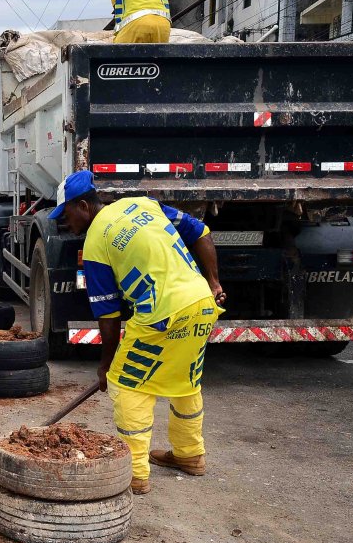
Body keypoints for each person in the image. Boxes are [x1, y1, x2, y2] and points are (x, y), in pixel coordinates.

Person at [51, 170, 227, 495]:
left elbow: (109, 314)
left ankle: (135, 474)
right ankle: (190, 455)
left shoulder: (95, 242)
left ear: (83, 206)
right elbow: (200, 231)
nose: (65, 222)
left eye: (66, 214)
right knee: (184, 379)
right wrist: (214, 282)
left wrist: (106, 365)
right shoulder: (143, 205)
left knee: (126, 384)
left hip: (162, 312)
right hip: (202, 303)